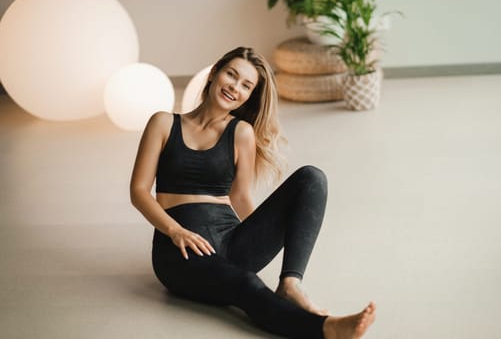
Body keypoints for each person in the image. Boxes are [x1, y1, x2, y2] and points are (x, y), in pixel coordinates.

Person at [130, 46, 376, 339]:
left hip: (231, 242)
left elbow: (240, 197)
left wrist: (264, 231)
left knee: (312, 177)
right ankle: (327, 330)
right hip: (179, 250)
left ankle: (290, 284)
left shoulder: (241, 132)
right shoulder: (163, 123)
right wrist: (175, 231)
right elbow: (139, 190)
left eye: (246, 85)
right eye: (231, 75)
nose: (235, 87)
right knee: (246, 284)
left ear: (249, 96)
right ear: (214, 74)